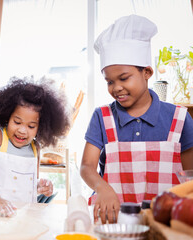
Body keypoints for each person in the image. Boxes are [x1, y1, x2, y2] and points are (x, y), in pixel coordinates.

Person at [80, 15, 193, 224]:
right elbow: (87, 166)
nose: (116, 88)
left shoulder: (179, 118)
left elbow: (190, 177)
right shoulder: (102, 117)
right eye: (109, 81)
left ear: (147, 72)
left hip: (164, 224)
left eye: (124, 78)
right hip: (114, 224)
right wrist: (102, 188)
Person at [0, 78, 71, 217]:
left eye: (31, 126)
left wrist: (39, 186)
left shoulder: (35, 148)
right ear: (7, 116)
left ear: (41, 126)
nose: (22, 130)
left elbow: (25, 184)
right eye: (17, 122)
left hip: (23, 217)